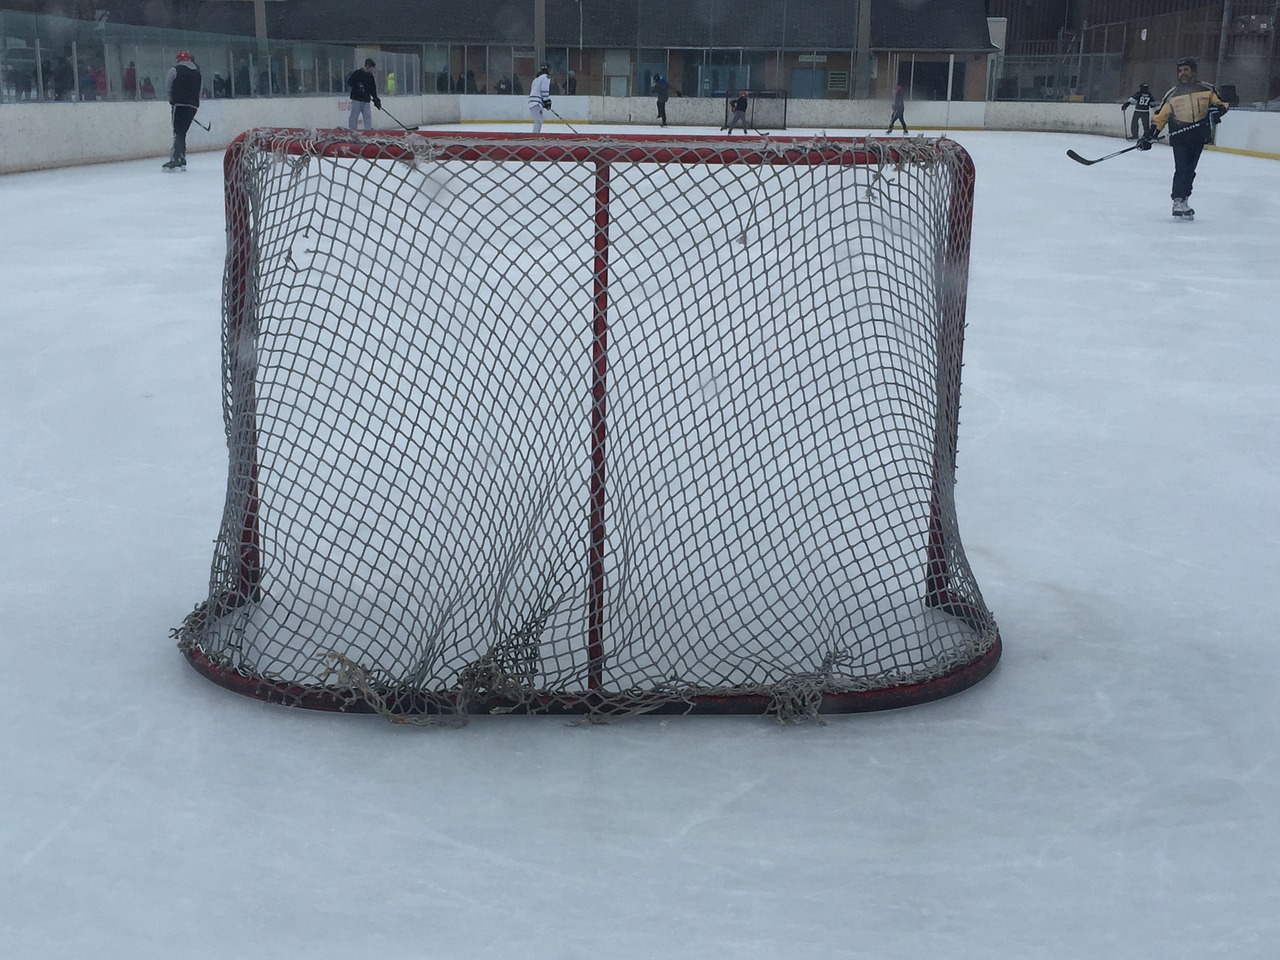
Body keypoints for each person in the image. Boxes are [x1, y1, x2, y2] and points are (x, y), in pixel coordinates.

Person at [1137, 56, 1230, 221]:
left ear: (1193, 71)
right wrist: (1150, 135)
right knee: (1182, 168)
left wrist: (1217, 110)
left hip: (1199, 136)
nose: (1182, 73)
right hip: (1180, 136)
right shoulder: (1173, 94)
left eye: (1186, 70)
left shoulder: (1207, 89)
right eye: (1180, 71)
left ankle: (1184, 199)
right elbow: (1161, 116)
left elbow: (1222, 104)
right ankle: (1177, 200)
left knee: (1190, 170)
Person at [163, 51, 201, 170]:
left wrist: (171, 100)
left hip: (179, 104)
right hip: (193, 106)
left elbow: (168, 86)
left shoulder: (174, 70)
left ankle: (175, 158)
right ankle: (182, 157)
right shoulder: (197, 73)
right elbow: (198, 91)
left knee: (178, 132)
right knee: (182, 132)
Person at [347, 58, 382, 131]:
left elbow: (372, 88)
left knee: (367, 116)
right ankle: (352, 130)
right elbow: (349, 82)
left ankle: (368, 130)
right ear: (367, 66)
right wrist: (357, 86)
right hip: (357, 99)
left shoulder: (370, 77)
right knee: (354, 116)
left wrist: (375, 98)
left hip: (366, 100)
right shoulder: (357, 73)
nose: (372, 70)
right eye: (371, 68)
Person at [528, 62, 552, 133]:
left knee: (538, 119)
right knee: (538, 120)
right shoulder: (545, 77)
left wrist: (543, 102)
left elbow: (533, 89)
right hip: (536, 102)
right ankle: (535, 136)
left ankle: (535, 135)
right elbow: (544, 89)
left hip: (532, 102)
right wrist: (546, 100)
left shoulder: (537, 78)